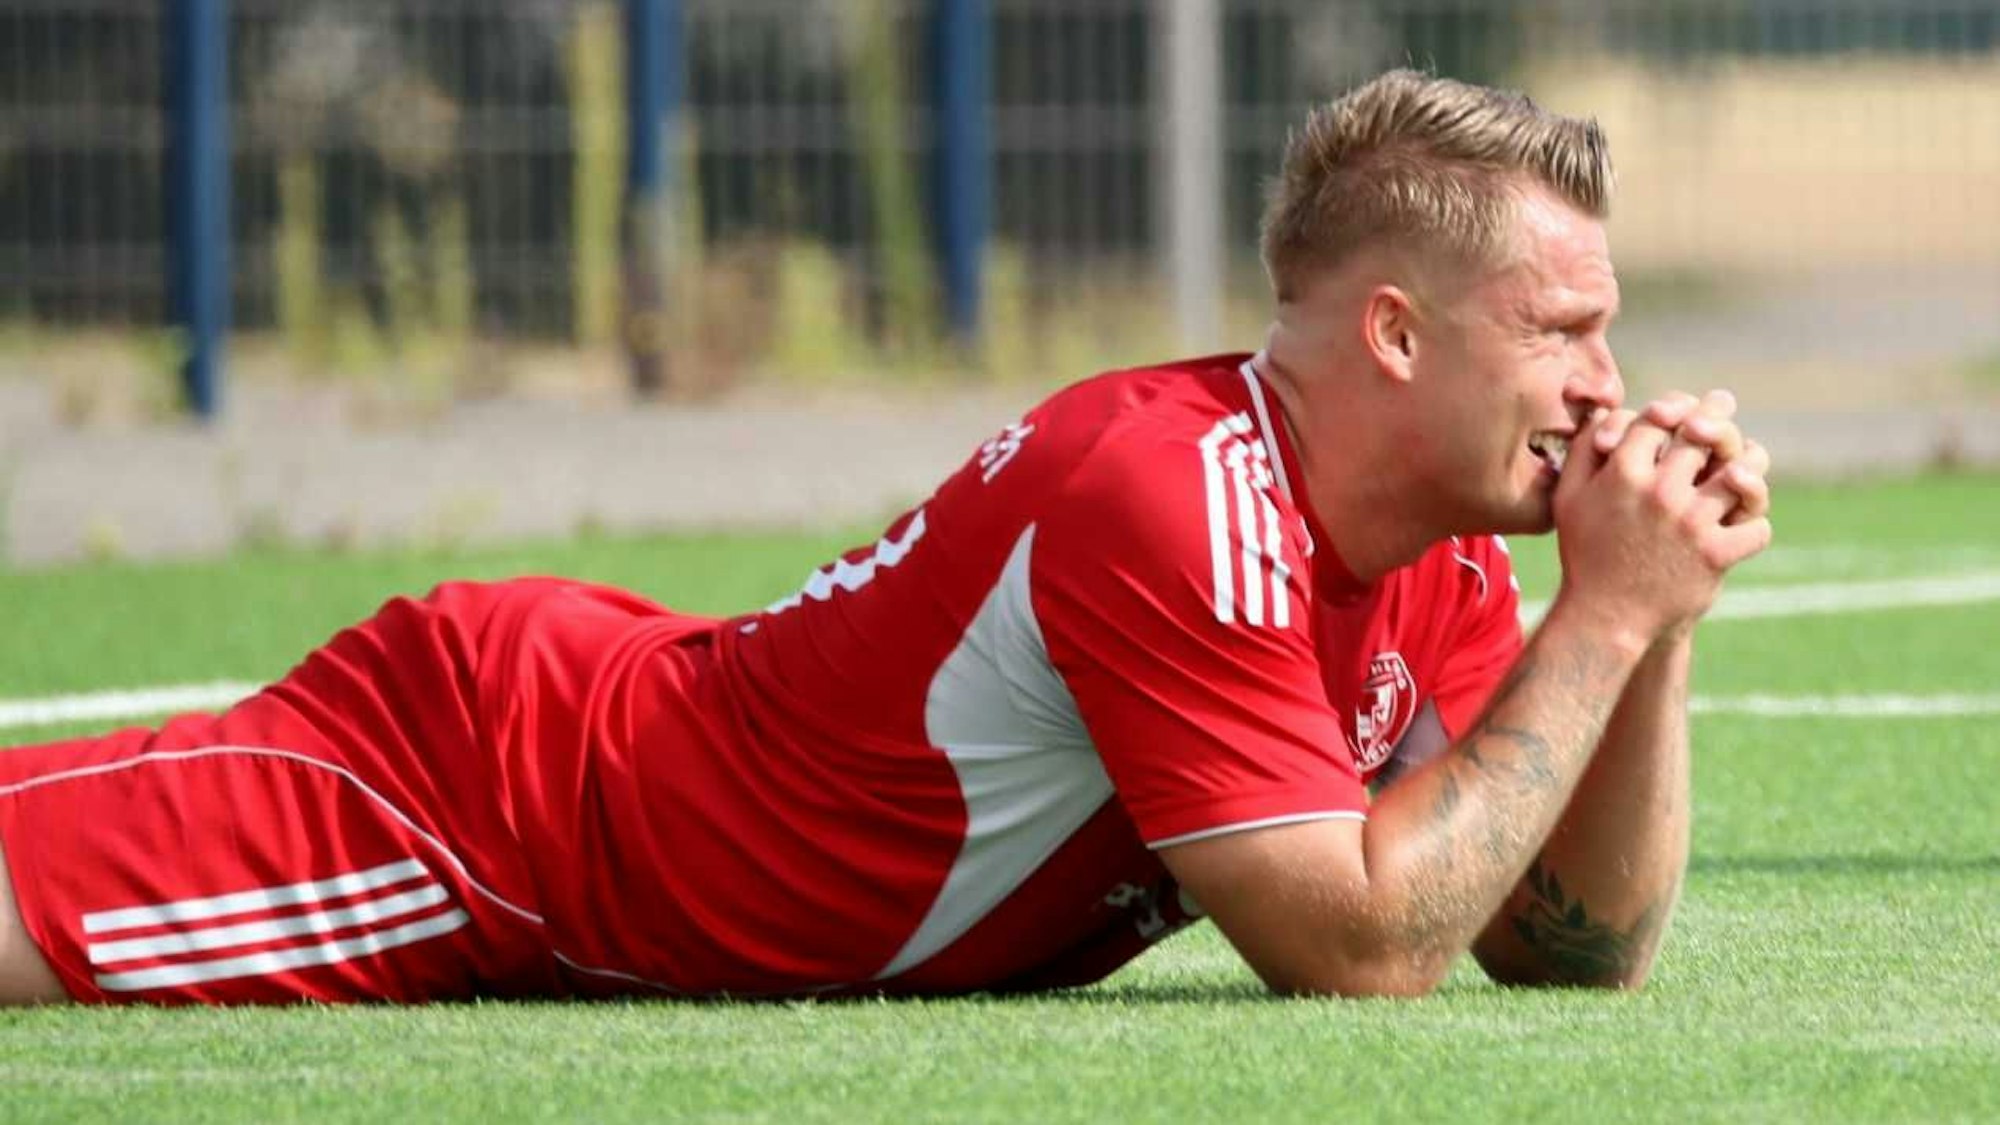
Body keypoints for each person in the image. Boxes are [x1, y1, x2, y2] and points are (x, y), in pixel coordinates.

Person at [0, 69, 1771, 1006]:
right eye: (1563, 330)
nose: (1609, 384)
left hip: (591, 775)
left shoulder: (1445, 544)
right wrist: (1602, 621)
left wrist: (1654, 617)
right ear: (1395, 334)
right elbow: (1366, 949)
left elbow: (1563, 946)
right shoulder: (1171, 493)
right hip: (487, 806)